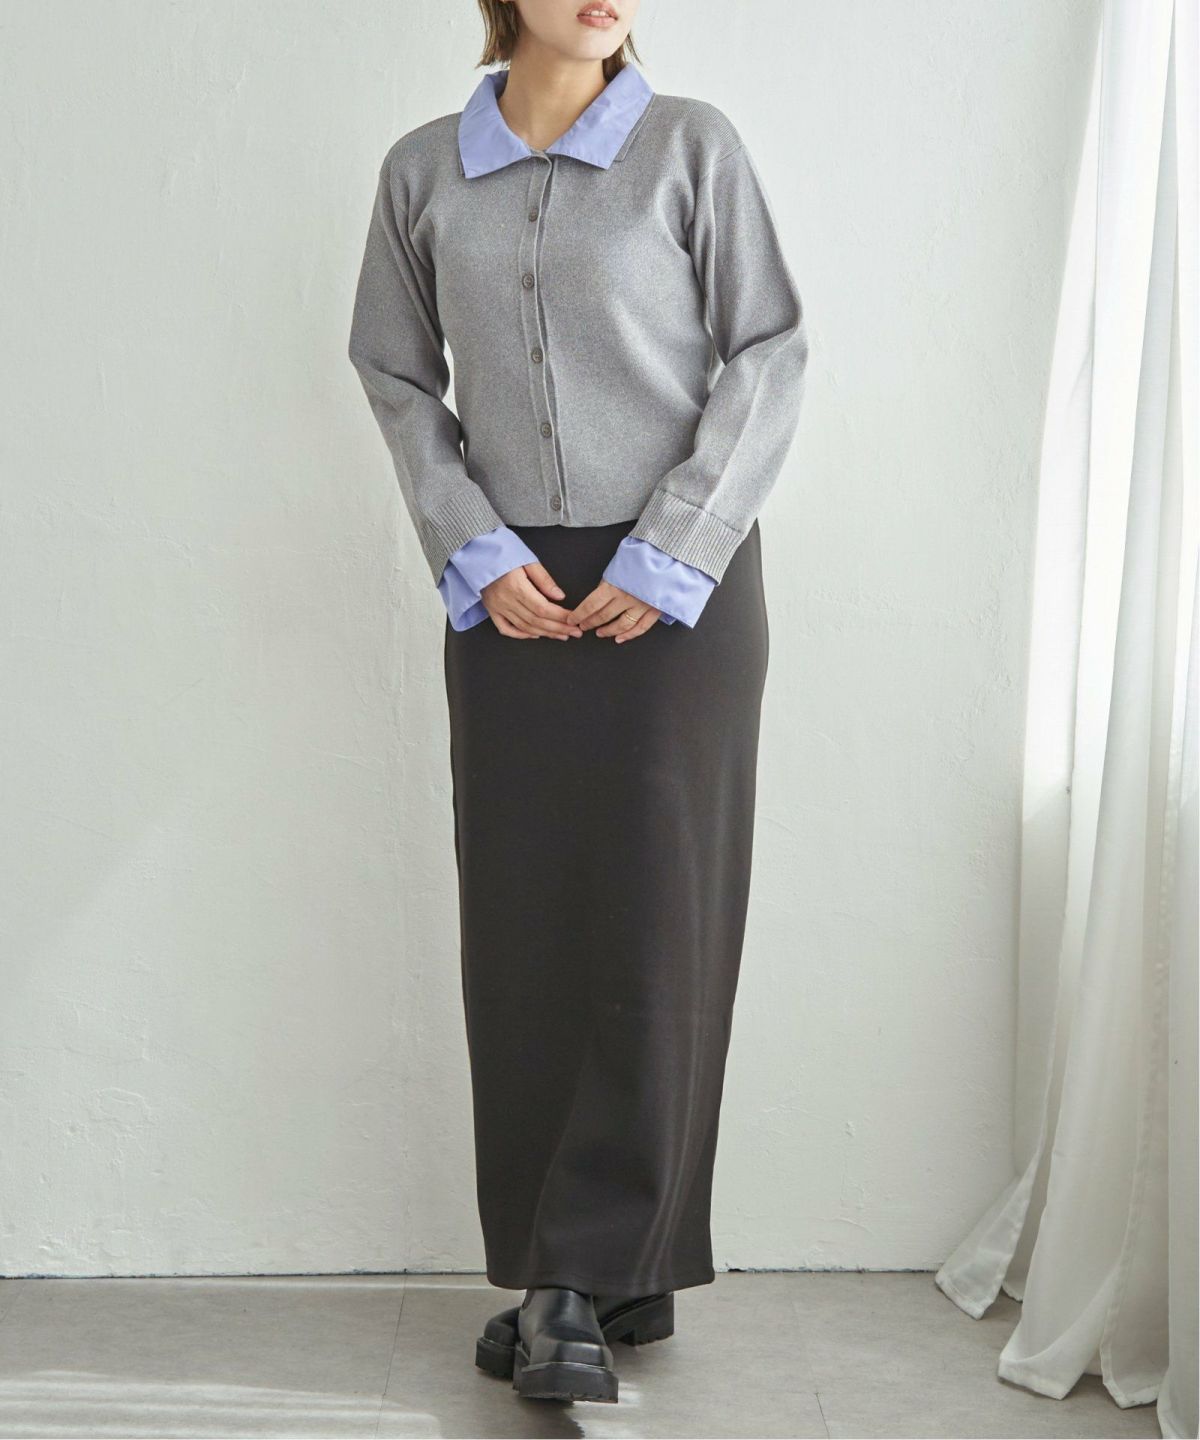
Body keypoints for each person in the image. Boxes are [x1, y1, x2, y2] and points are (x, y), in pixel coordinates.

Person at [348, 0, 809, 1406]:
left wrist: (672, 550)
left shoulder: (690, 146)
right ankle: (594, 1271)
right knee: (525, 920)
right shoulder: (424, 171)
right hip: (508, 589)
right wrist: (472, 548)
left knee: (661, 921)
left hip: (677, 587)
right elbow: (392, 371)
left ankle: (582, 1273)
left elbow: (769, 350)